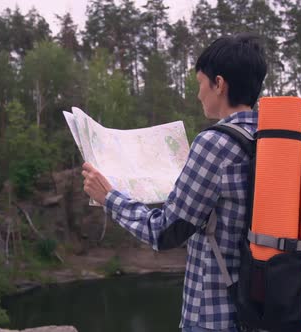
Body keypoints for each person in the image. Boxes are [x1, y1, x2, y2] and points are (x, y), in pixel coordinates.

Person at [82, 33, 267, 332]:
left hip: (214, 319)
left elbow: (165, 232)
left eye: (199, 84)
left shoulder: (214, 144)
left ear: (218, 84)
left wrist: (110, 198)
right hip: (264, 314)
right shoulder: (277, 139)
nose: (198, 95)